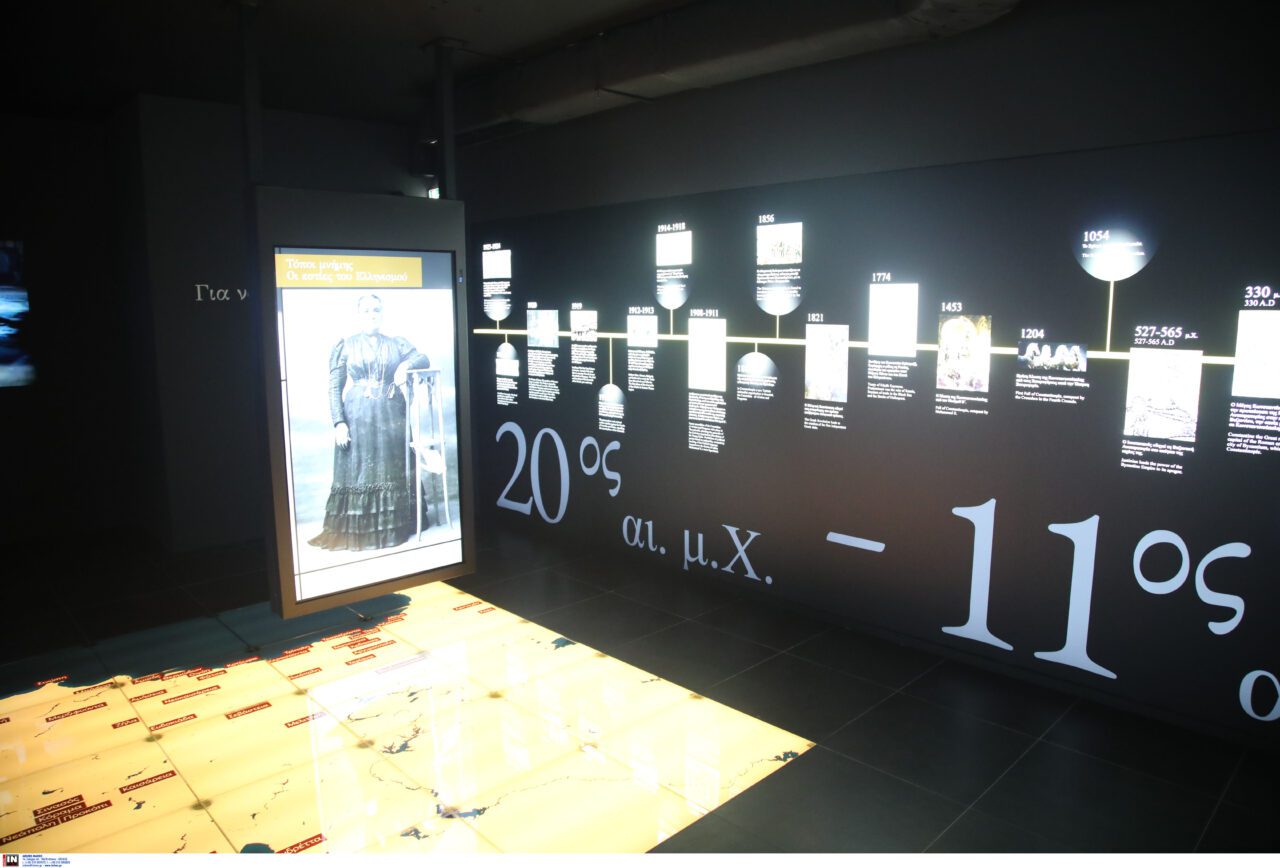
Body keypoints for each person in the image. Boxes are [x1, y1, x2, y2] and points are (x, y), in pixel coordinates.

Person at [308, 294, 429, 551]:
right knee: (361, 469)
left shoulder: (396, 343)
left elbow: (423, 358)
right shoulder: (346, 345)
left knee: (392, 468)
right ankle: (362, 531)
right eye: (366, 311)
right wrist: (339, 422)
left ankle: (397, 526)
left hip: (392, 416)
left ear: (382, 313)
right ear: (359, 314)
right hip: (358, 415)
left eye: (376, 310)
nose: (372, 314)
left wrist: (405, 365)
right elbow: (334, 387)